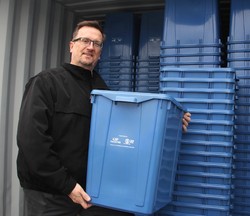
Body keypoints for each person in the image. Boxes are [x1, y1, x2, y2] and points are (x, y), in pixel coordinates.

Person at [16, 20, 191, 216]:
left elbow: (132, 128)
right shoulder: (46, 82)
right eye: (84, 40)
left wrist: (172, 123)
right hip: (49, 194)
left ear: (100, 52)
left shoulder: (102, 90)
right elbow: (32, 141)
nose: (90, 47)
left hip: (91, 193)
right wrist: (67, 185)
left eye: (97, 43)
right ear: (71, 45)